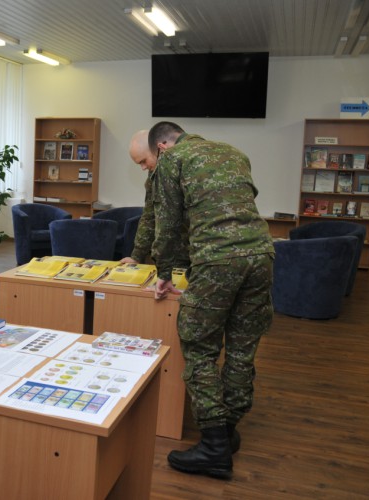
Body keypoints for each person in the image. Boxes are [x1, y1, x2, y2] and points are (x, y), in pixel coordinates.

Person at [148, 121, 274, 479]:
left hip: (218, 261)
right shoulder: (235, 153)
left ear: (161, 146)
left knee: (199, 346)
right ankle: (229, 429)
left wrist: (164, 273)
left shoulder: (172, 161)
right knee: (241, 346)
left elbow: (168, 224)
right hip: (262, 257)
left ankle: (214, 447)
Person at [122, 130, 189, 268]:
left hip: (201, 251)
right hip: (174, 254)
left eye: (143, 161)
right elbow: (149, 215)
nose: (143, 167)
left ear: (157, 149)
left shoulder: (189, 167)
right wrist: (136, 256)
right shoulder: (155, 173)